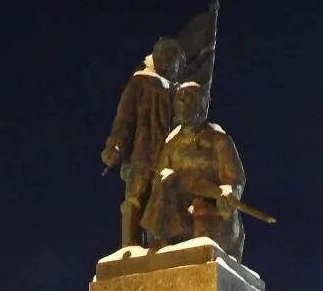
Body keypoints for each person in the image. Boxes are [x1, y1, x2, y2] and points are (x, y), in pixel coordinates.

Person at [141, 82, 246, 259]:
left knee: (201, 242)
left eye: (187, 99)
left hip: (211, 211)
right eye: (179, 100)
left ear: (202, 104)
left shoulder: (219, 141)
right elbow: (160, 181)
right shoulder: (171, 145)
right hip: (176, 213)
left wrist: (230, 195)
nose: (181, 104)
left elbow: (234, 178)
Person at [101, 38, 186, 247]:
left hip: (167, 157)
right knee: (136, 198)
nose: (171, 63)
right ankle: (130, 245)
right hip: (142, 152)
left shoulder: (177, 92)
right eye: (168, 57)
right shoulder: (141, 81)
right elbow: (125, 117)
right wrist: (116, 144)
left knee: (160, 202)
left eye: (175, 60)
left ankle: (158, 246)